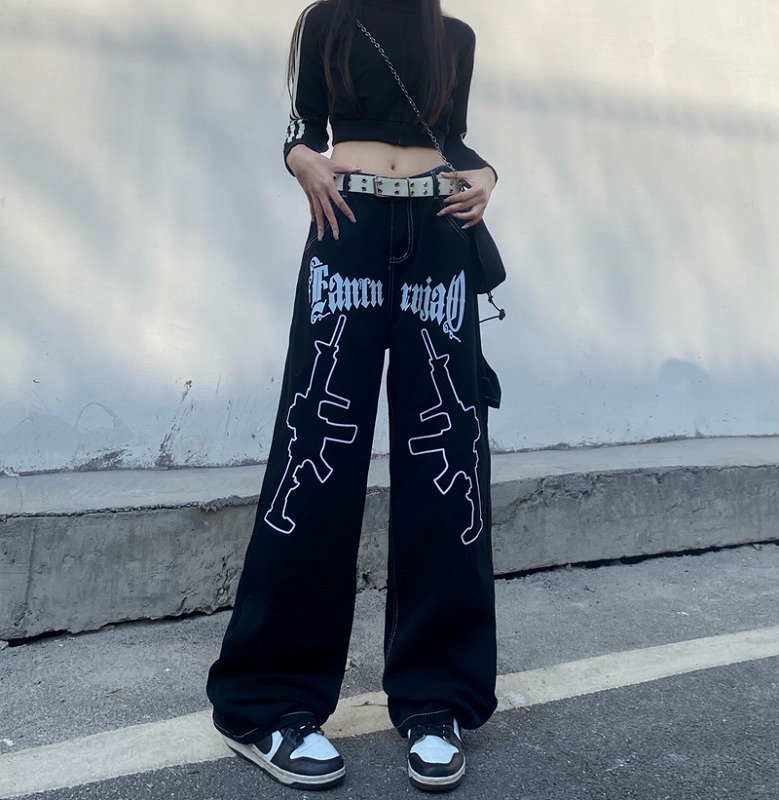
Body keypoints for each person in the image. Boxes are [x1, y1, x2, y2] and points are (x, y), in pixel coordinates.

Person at [207, 0, 502, 791]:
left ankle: (436, 699)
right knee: (316, 454)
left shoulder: (453, 37)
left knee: (445, 459)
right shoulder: (329, 22)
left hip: (438, 233)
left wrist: (487, 175)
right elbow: (303, 129)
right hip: (348, 224)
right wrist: (299, 160)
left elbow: (454, 141)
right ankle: (268, 703)